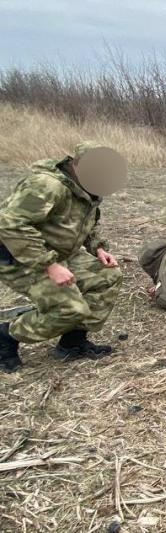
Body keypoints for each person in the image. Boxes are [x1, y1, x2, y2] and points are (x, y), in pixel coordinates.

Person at [0, 142, 124, 373]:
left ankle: (72, 343)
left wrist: (98, 247)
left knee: (108, 276)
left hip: (59, 254)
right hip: (20, 257)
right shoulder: (47, 186)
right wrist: (50, 266)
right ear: (75, 164)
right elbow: (9, 224)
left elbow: (84, 225)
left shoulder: (88, 189)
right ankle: (6, 335)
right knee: (70, 309)